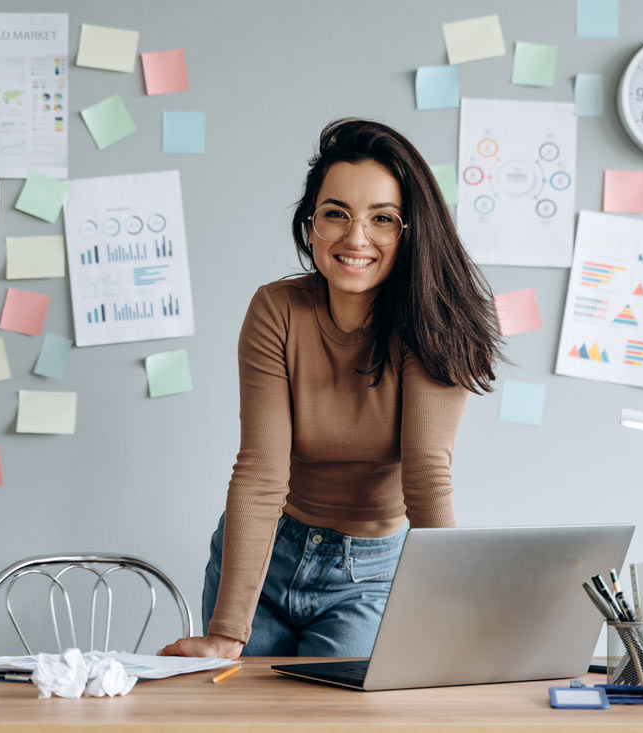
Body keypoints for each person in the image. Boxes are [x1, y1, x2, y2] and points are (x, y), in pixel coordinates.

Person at [159, 118, 503, 659]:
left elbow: (427, 480)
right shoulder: (277, 310)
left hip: (368, 575)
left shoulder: (436, 326)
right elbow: (260, 473)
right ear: (310, 224)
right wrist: (226, 633)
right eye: (336, 214)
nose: (356, 238)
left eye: (382, 219)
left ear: (411, 231)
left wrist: (456, 629)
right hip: (264, 558)